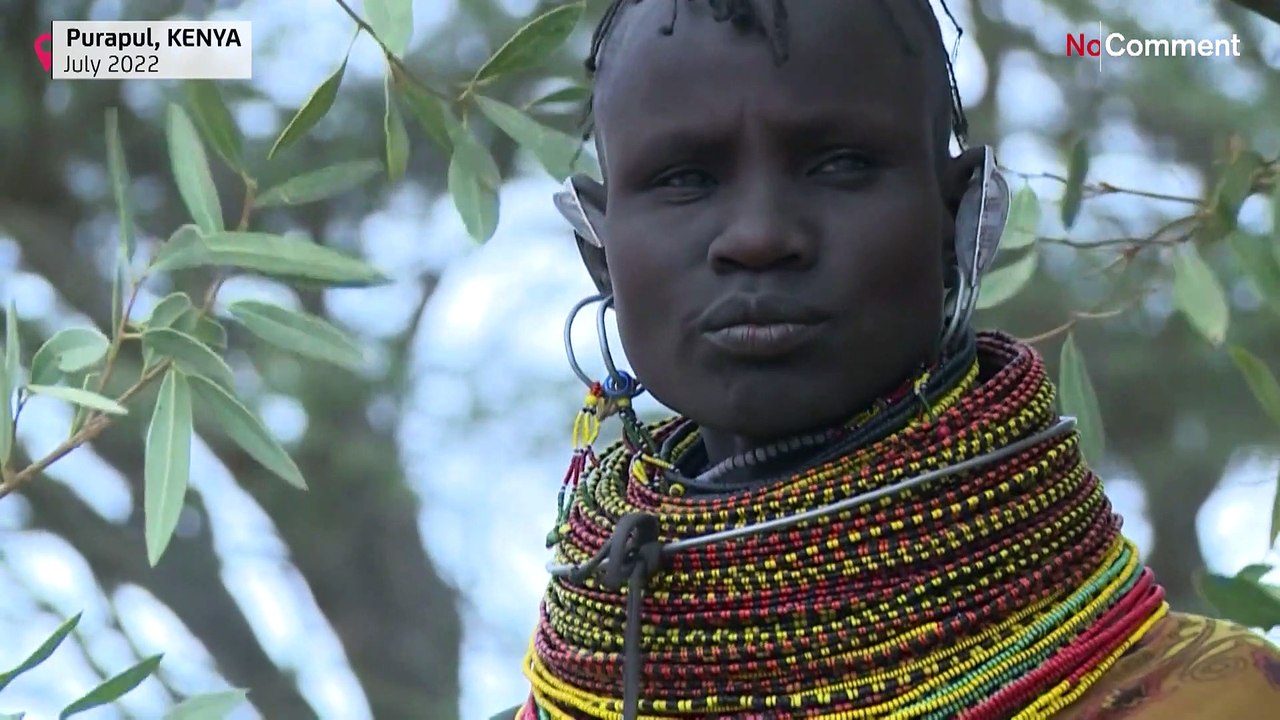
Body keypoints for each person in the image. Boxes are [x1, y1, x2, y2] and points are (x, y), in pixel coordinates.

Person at [495, 1, 1280, 718]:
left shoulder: (1218, 699)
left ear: (960, 218)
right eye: (685, 178)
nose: (759, 236)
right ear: (598, 249)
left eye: (838, 164)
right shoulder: (553, 701)